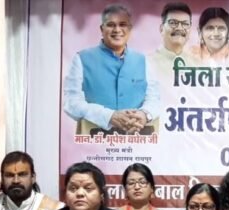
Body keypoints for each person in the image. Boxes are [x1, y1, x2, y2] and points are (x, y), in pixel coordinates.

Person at [63, 4, 160, 135]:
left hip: (136, 140)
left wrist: (144, 114)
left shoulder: (143, 61)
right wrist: (108, 116)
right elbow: (71, 103)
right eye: (110, 25)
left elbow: (154, 99)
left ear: (130, 29)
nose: (117, 30)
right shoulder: (82, 59)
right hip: (93, 141)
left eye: (122, 24)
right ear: (102, 29)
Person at [147, 2, 198, 84]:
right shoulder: (147, 64)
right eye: (173, 23)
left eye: (185, 24)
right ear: (161, 29)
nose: (179, 28)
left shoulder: (197, 64)